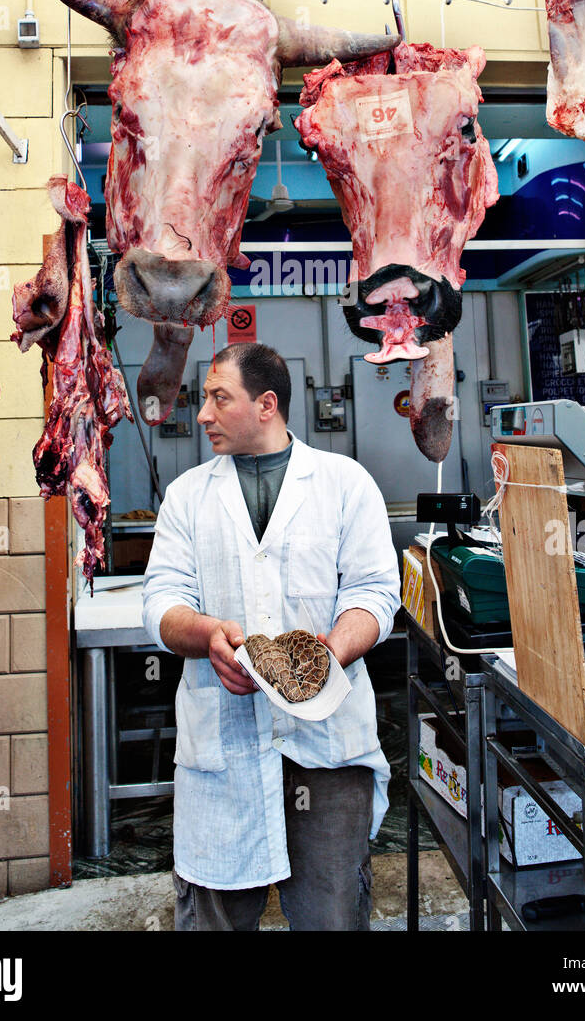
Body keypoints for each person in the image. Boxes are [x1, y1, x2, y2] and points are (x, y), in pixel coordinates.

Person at [142, 341, 401, 932]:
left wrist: (326, 652)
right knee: (215, 918)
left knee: (333, 915)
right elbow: (161, 601)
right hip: (223, 750)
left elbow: (377, 593)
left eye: (217, 398)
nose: (202, 413)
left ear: (266, 405)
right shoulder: (187, 496)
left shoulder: (344, 483)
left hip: (327, 750)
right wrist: (207, 634)